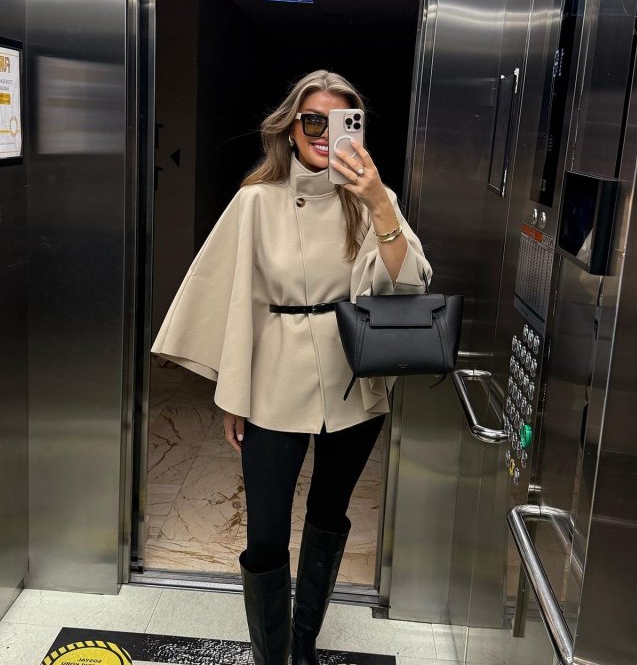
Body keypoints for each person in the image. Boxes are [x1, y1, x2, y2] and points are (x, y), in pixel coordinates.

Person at [152, 69, 432, 665]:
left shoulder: (373, 200)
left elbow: (410, 285)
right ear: (291, 129)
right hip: (275, 379)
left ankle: (302, 646)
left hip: (352, 379)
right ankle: (271, 654)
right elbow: (233, 297)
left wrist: (379, 203)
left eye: (340, 122)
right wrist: (234, 394)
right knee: (265, 533)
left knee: (329, 515)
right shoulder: (256, 200)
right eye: (313, 121)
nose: (325, 134)